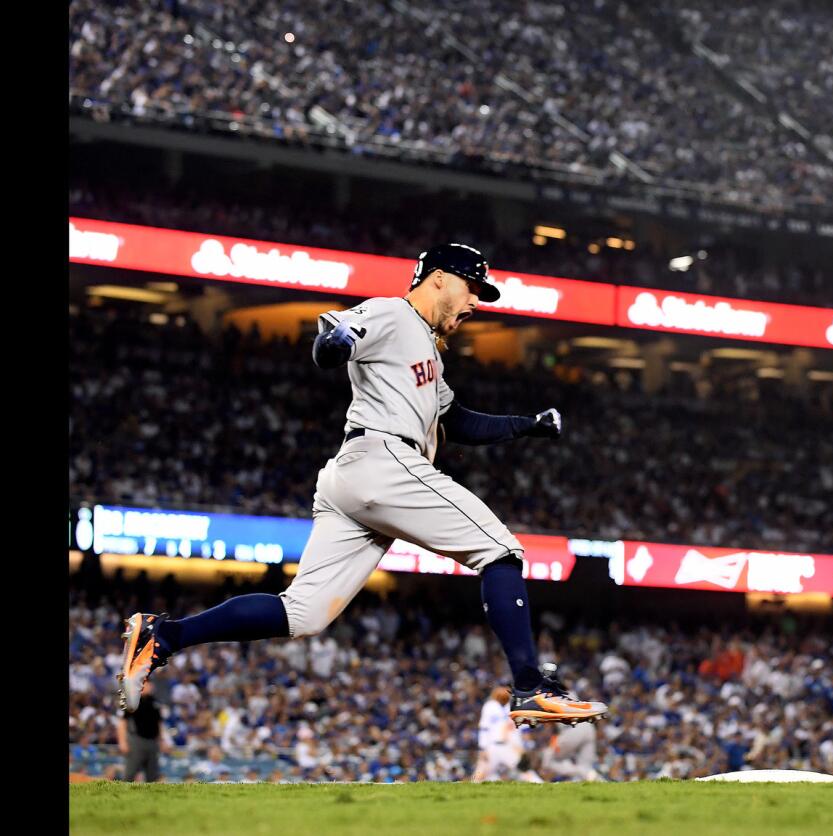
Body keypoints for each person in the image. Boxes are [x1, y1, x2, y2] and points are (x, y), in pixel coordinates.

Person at [116, 243, 607, 728]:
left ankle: (165, 636)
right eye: (471, 286)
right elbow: (330, 343)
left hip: (354, 476)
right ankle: (529, 687)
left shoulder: (426, 349)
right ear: (438, 277)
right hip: (384, 460)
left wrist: (528, 424)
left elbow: (456, 422)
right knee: (500, 552)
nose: (476, 301)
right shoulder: (394, 313)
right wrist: (336, 343)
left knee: (302, 613)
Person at [115, 678, 167, 782]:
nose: (148, 686)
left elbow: (159, 724)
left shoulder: (155, 702)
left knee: (152, 775)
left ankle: (151, 797)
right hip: (136, 741)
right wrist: (122, 742)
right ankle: (123, 795)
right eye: (146, 684)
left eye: (149, 684)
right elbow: (122, 723)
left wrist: (162, 741)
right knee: (130, 773)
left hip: (153, 742)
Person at [472, 686, 524, 781]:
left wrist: (519, 746)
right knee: (480, 772)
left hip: (508, 747)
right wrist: (483, 748)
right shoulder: (490, 706)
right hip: (492, 746)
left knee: (524, 769)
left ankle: (541, 785)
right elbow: (484, 728)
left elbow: (516, 731)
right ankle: (470, 788)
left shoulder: (513, 707)